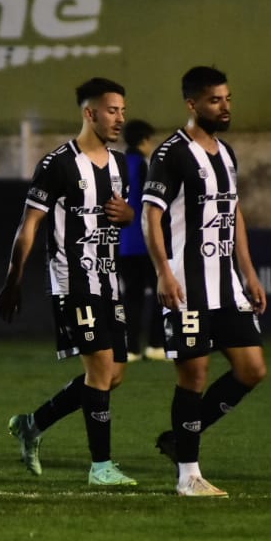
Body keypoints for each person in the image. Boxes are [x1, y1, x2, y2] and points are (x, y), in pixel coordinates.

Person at [0, 77, 138, 487]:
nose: (120, 118)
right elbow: (30, 225)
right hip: (72, 281)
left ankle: (32, 424)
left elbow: (120, 214)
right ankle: (101, 466)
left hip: (109, 283)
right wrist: (13, 280)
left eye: (123, 111)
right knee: (98, 372)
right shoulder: (57, 164)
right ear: (89, 113)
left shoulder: (120, 164)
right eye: (112, 110)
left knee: (113, 376)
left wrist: (128, 216)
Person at [145, 65, 268, 498]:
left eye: (228, 99)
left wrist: (249, 271)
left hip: (227, 284)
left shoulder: (226, 153)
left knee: (252, 370)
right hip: (188, 283)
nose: (225, 107)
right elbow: (152, 216)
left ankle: (180, 440)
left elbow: (233, 213)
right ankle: (188, 475)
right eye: (216, 100)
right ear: (192, 104)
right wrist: (163, 271)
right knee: (194, 376)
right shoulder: (172, 153)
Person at [117, 118, 165, 362]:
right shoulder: (144, 166)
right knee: (160, 292)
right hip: (144, 241)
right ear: (145, 141)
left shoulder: (116, 163)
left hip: (122, 244)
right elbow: (150, 204)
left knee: (131, 297)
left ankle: (131, 348)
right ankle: (156, 345)